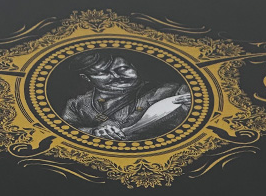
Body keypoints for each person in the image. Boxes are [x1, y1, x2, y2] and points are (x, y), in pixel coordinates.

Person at [59, 51, 190, 140]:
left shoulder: (173, 90)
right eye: (102, 73)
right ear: (86, 78)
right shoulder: (77, 105)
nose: (116, 76)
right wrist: (93, 133)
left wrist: (190, 108)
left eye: (123, 69)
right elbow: (64, 133)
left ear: (133, 67)